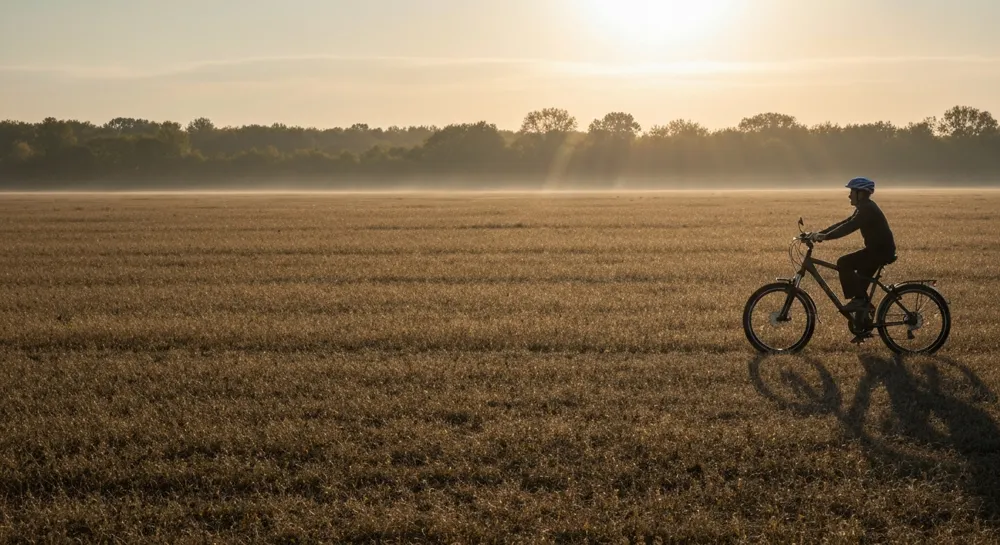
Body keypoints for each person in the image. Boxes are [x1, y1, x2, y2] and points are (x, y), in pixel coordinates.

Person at [809, 177, 897, 313]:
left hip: (879, 253)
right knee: (860, 286)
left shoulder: (867, 209)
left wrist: (826, 237)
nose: (849, 195)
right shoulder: (864, 207)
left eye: (852, 191)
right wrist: (820, 233)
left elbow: (849, 226)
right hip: (878, 251)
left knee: (844, 262)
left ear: (860, 193)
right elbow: (846, 222)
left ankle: (860, 302)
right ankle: (863, 315)